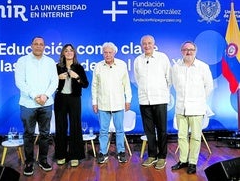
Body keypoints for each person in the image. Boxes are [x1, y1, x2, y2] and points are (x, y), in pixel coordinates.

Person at [15, 36, 59, 176]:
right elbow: (20, 82)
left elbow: (54, 82)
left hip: (46, 104)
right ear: (31, 45)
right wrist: (35, 95)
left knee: (45, 134)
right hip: (28, 104)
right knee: (28, 134)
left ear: (44, 46)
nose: (38, 46)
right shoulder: (23, 61)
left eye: (41, 44)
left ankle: (43, 160)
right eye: (36, 44)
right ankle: (29, 162)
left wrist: (45, 95)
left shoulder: (50, 62)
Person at [171, 41, 213, 174]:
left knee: (195, 137)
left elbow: (209, 86)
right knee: (181, 136)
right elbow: (175, 85)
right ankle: (183, 160)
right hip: (180, 108)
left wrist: (199, 99)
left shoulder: (203, 67)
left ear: (195, 51)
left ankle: (193, 162)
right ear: (181, 51)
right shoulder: (176, 67)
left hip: (197, 108)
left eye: (191, 49)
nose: (188, 52)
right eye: (185, 49)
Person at [134, 35, 171, 169]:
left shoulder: (162, 57)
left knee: (161, 130)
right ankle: (152, 155)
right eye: (144, 44)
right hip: (144, 100)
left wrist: (161, 91)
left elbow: (169, 78)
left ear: (154, 44)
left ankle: (162, 157)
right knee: (149, 131)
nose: (147, 46)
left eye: (149, 43)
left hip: (160, 99)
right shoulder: (138, 60)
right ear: (141, 45)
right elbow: (138, 79)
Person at [91, 42, 132, 164]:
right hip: (103, 104)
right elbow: (94, 86)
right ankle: (103, 153)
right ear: (102, 53)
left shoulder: (121, 65)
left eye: (110, 52)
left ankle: (121, 152)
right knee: (103, 131)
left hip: (119, 103)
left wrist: (128, 99)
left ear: (114, 53)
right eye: (105, 52)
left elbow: (127, 84)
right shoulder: (98, 66)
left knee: (119, 130)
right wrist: (94, 102)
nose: (107, 55)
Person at [54, 44, 89, 167]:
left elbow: (85, 84)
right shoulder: (57, 67)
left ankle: (75, 155)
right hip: (60, 99)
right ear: (63, 53)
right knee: (60, 126)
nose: (69, 53)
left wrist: (77, 77)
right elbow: (50, 84)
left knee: (75, 126)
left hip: (74, 99)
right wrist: (57, 78)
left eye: (71, 51)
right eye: (66, 51)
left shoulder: (79, 67)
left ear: (74, 53)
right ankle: (61, 155)